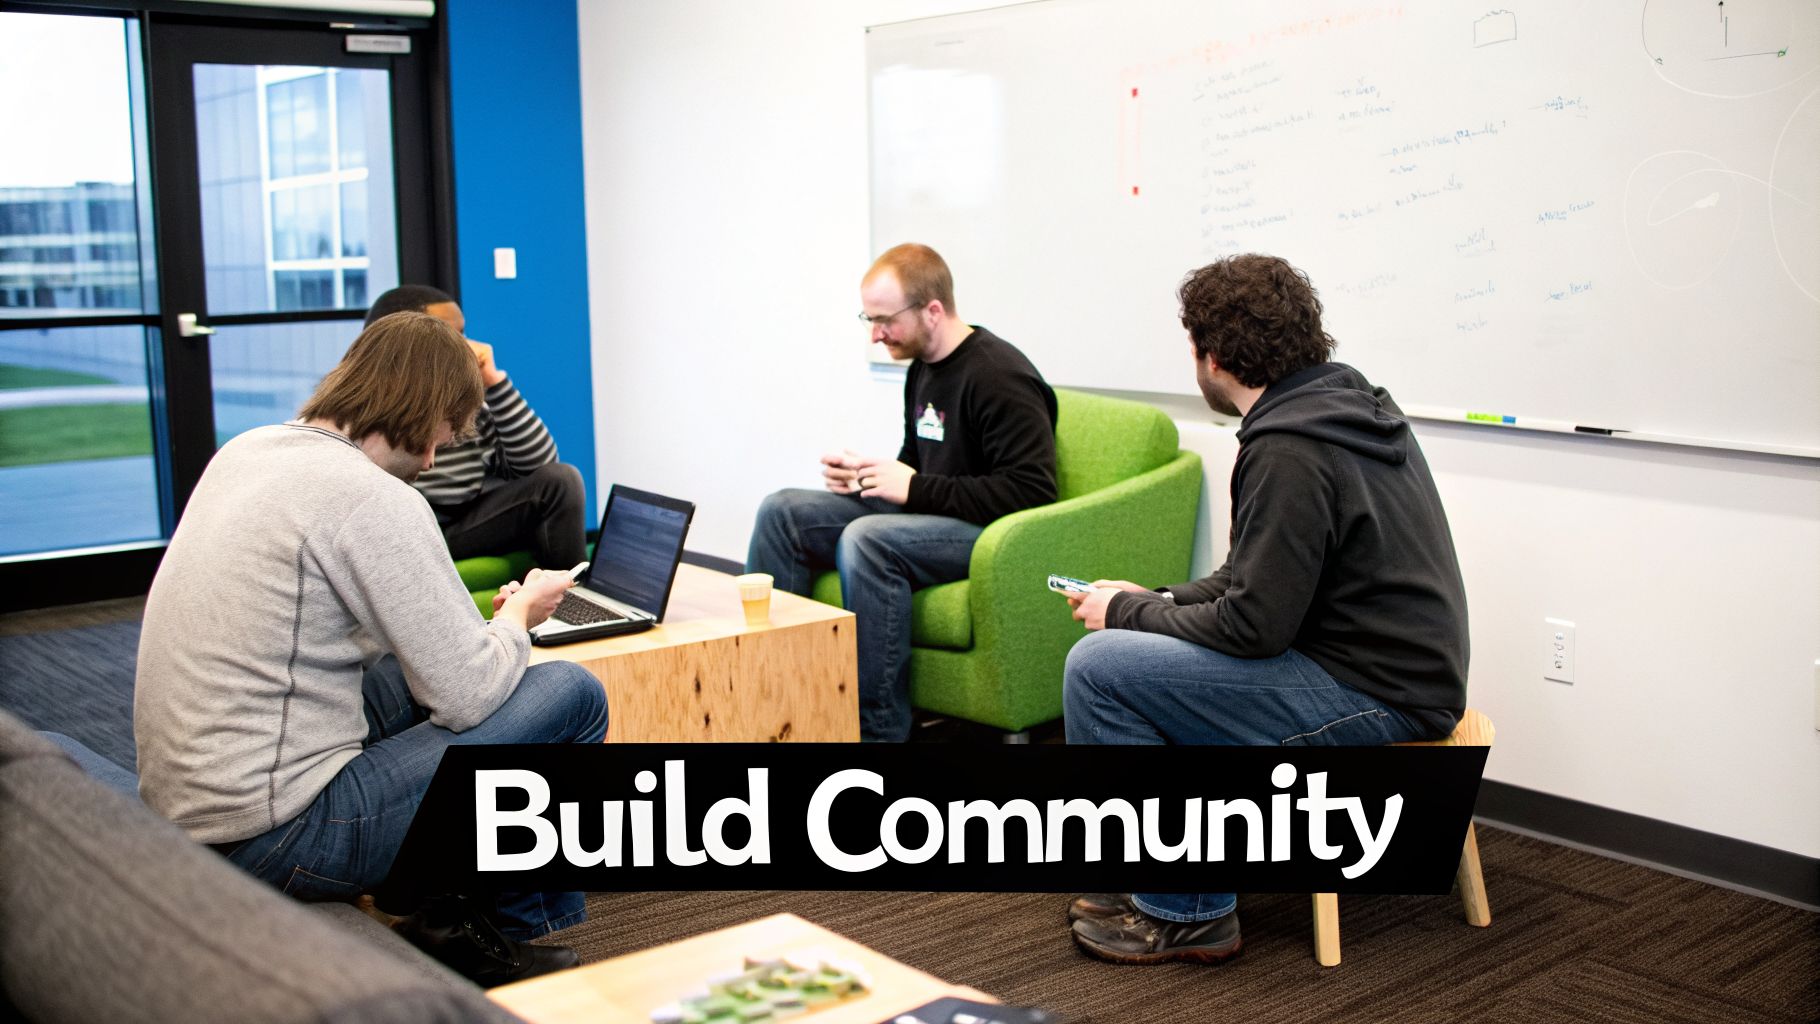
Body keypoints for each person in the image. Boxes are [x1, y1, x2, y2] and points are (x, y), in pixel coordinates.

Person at [134, 311, 608, 986]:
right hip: (273, 837)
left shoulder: (248, 450)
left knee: (411, 677)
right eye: (444, 436)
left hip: (190, 808)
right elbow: (466, 694)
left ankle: (440, 909)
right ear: (426, 409)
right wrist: (518, 620)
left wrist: (481, 636)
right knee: (571, 694)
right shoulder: (370, 497)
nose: (434, 459)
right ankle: (508, 934)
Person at [1059, 254, 1469, 965]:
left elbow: (1252, 627)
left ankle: (1190, 912)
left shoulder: (1289, 448)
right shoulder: (1344, 406)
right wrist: (1152, 600)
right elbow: (1252, 580)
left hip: (1378, 692)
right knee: (1147, 660)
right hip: (1393, 670)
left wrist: (1123, 616)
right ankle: (1161, 879)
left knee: (1099, 668)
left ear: (1213, 356)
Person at [746, 243, 1058, 742]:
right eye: (869, 319)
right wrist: (866, 477)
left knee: (868, 539)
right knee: (782, 511)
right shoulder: (923, 368)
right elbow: (920, 463)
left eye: (884, 320)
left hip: (990, 534)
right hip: (933, 518)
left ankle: (878, 731)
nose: (875, 334)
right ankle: (776, 701)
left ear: (932, 310)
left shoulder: (999, 376)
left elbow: (1031, 491)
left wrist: (911, 486)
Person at [364, 284, 587, 570]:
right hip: (411, 529)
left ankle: (571, 593)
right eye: (450, 337)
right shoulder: (366, 408)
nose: (465, 347)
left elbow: (538, 465)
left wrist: (493, 382)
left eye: (462, 334)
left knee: (561, 480)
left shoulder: (465, 398)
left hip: (466, 517)